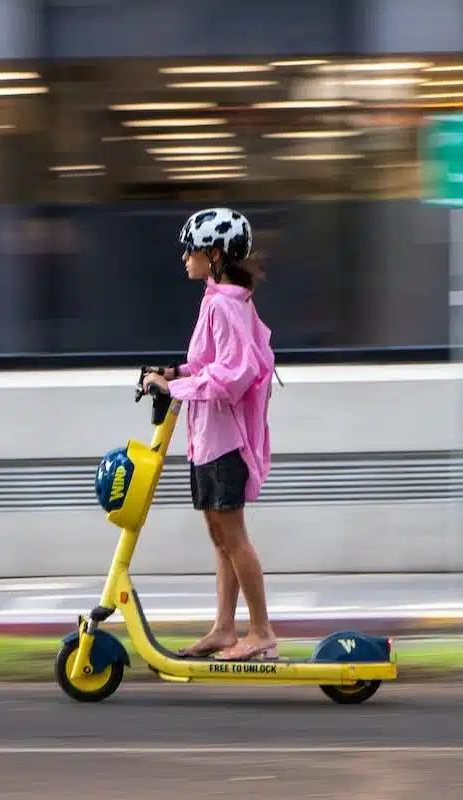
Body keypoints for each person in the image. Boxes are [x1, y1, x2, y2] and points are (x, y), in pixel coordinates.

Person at [141, 207, 278, 662]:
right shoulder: (215, 298)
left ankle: (260, 632)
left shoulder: (225, 304)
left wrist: (174, 385)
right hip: (206, 439)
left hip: (224, 441)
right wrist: (173, 371)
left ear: (215, 253)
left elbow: (236, 372)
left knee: (233, 537)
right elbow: (206, 363)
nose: (185, 256)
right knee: (220, 538)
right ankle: (224, 628)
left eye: (191, 248)